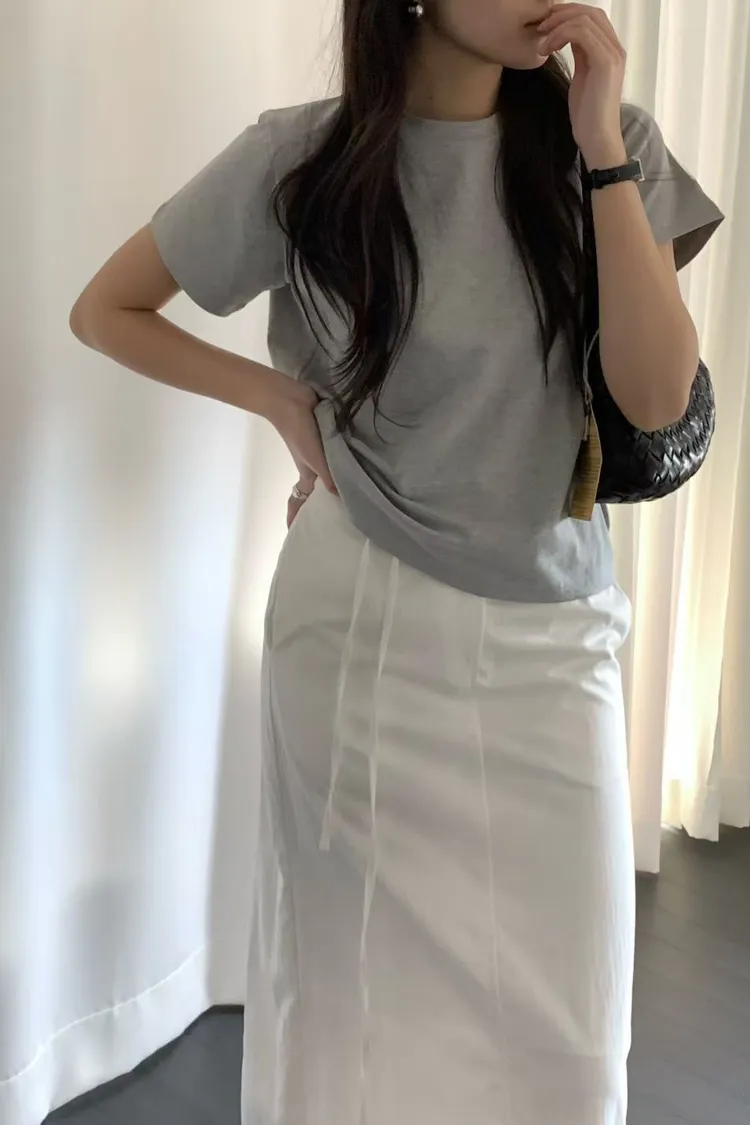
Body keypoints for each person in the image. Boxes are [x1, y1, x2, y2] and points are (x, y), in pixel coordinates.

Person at [71, 1, 724, 1121]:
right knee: (347, 1005)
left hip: (554, 632)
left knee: (572, 1045)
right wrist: (279, 400)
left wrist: (603, 150)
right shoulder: (304, 158)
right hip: (359, 624)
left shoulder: (612, 141)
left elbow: (658, 398)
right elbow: (107, 309)